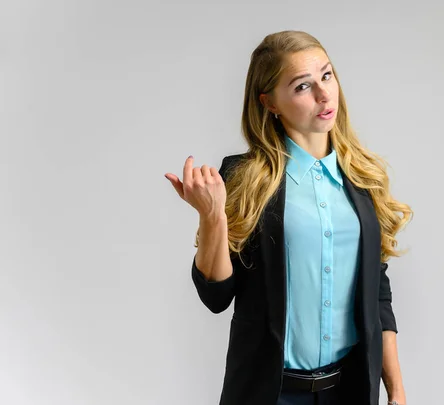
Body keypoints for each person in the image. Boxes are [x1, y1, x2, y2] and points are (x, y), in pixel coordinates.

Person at [165, 30, 413, 405]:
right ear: (270, 103)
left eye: (327, 76)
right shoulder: (243, 178)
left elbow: (377, 292)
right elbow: (216, 296)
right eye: (302, 86)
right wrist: (212, 215)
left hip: (348, 392)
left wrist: (395, 389)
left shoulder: (363, 179)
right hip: (270, 394)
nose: (323, 94)